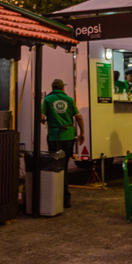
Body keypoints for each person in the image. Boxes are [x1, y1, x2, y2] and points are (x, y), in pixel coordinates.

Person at [41, 78, 84, 208]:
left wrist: (46, 121)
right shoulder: (69, 100)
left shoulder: (47, 100)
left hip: (55, 136)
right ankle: (66, 198)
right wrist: (82, 133)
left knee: (55, 166)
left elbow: (42, 118)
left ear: (52, 88)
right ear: (63, 88)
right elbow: (78, 117)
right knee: (64, 165)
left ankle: (57, 196)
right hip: (69, 135)